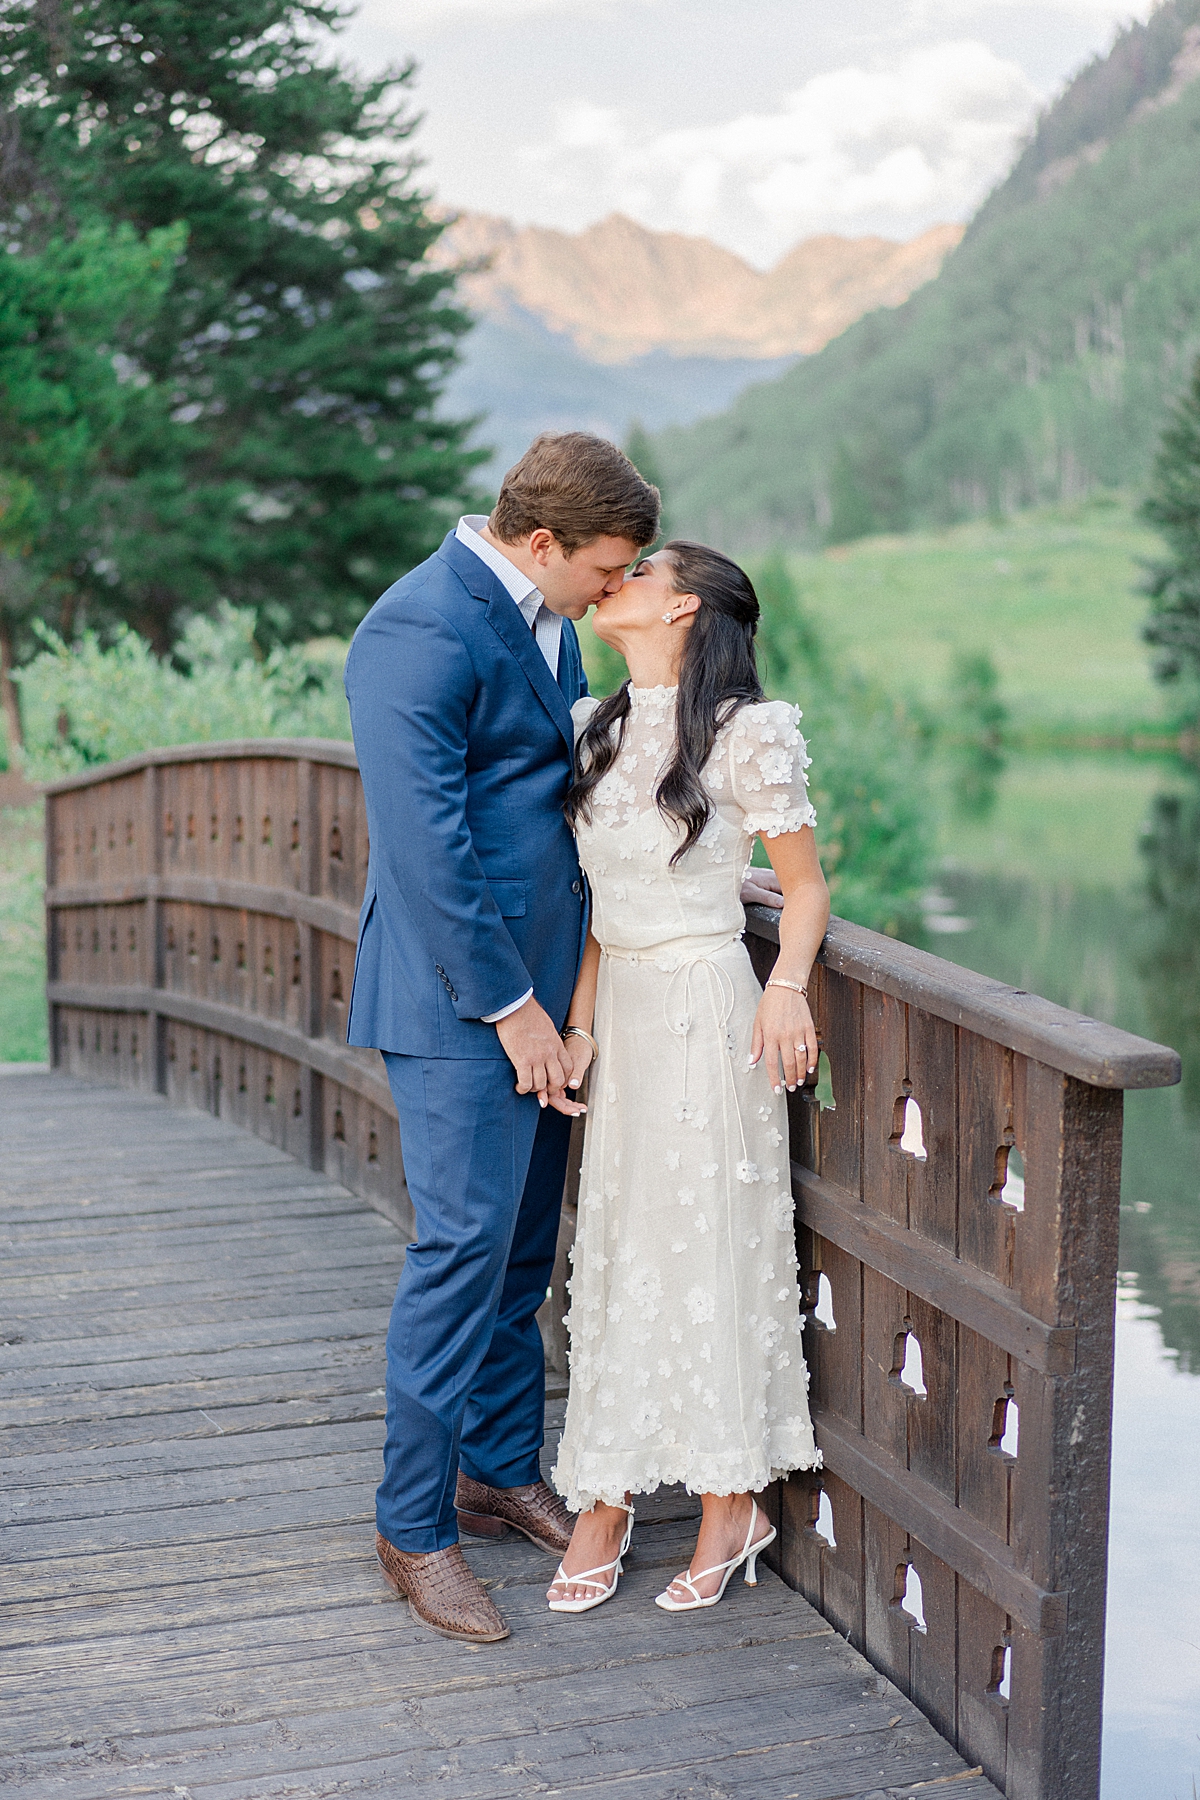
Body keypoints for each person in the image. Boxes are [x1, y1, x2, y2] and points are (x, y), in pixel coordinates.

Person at [343, 433, 659, 1644]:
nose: (613, 588)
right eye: (607, 566)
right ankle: (411, 1527)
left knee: (525, 1246)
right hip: (456, 1000)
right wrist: (513, 1007)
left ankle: (494, 1467)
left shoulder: (551, 614)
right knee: (464, 1251)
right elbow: (426, 849)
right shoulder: (417, 627)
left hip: (546, 997)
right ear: (543, 544)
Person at [544, 540, 829, 1615]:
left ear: (689, 609)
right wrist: (577, 1025)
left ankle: (729, 1501)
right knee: (619, 1248)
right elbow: (594, 911)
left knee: (710, 1243)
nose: (614, 581)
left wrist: (787, 985)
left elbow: (802, 891)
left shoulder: (751, 733)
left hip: (712, 1007)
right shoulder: (593, 727)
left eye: (640, 573)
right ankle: (605, 1496)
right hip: (622, 1010)